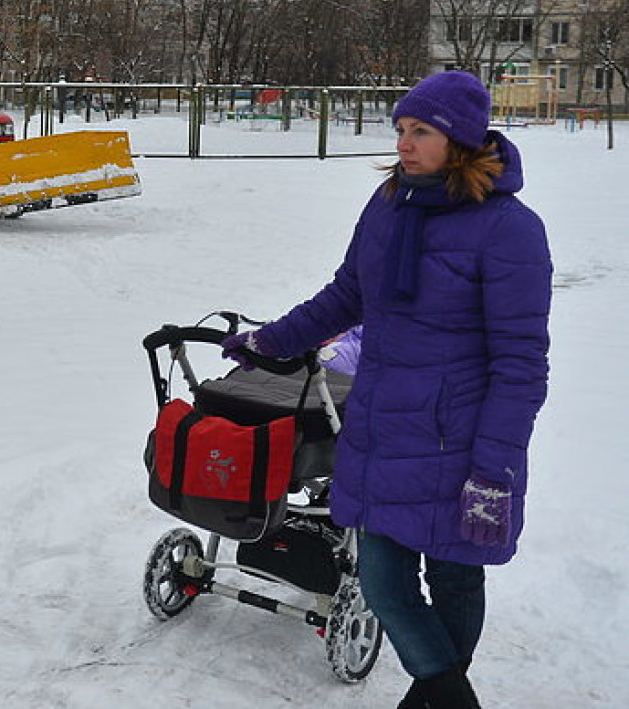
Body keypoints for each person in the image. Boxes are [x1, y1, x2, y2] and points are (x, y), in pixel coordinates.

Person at [221, 70, 552, 709]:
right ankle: (449, 694)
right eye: (401, 128)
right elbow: (348, 295)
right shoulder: (388, 204)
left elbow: (521, 365)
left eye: (420, 130)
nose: (403, 141)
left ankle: (432, 695)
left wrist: (496, 468)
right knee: (381, 580)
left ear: (458, 139)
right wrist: (273, 342)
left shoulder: (509, 228)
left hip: (461, 442)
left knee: (454, 579)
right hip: (380, 431)